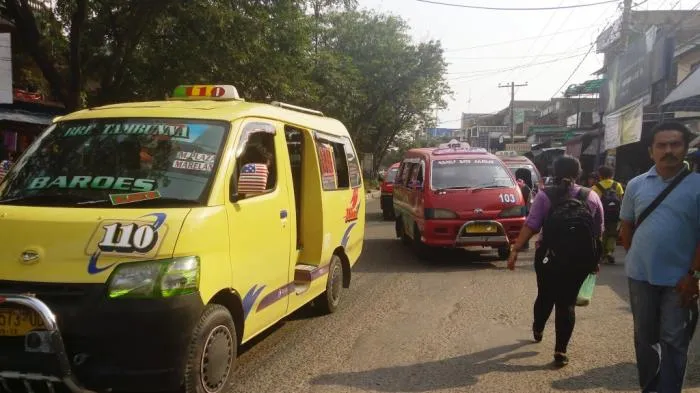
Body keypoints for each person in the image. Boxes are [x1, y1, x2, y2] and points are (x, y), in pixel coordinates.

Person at [619, 121, 700, 393]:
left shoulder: (698, 186)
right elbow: (627, 227)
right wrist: (638, 258)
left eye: (675, 144)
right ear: (651, 151)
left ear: (685, 149)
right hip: (640, 277)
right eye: (662, 145)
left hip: (680, 282)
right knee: (644, 339)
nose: (668, 150)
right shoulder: (635, 185)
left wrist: (694, 276)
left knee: (675, 341)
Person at [507, 155, 604, 367]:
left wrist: (515, 249)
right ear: (579, 173)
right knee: (567, 302)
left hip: (548, 257)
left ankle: (538, 328)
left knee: (545, 296)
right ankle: (560, 350)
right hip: (580, 259)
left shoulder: (544, 196)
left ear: (554, 171)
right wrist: (595, 260)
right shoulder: (591, 196)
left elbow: (531, 225)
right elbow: (597, 233)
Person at [591, 165, 624, 264]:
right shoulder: (617, 185)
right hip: (614, 214)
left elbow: (593, 202)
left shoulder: (595, 187)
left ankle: (601, 253)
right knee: (612, 234)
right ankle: (609, 252)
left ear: (600, 175)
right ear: (612, 175)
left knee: (602, 233)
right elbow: (621, 199)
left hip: (601, 214)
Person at [515, 168, 533, 250]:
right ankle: (525, 245)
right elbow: (530, 201)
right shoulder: (527, 188)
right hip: (526, 210)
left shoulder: (515, 186)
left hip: (517, 210)